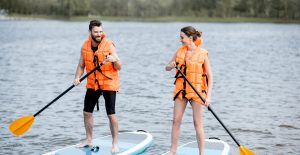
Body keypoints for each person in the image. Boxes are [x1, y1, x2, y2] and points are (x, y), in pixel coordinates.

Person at [73, 20, 121, 153]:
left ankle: (115, 143)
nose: (99, 34)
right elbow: (81, 65)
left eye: (101, 31)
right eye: (96, 32)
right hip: (93, 83)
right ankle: (88, 139)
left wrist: (114, 59)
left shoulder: (109, 45)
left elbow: (119, 66)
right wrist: (77, 77)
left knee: (111, 114)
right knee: (87, 112)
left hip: (109, 82)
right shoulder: (85, 45)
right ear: (90, 32)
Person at [165, 26, 213, 155]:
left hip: (197, 91)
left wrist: (208, 97)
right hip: (181, 90)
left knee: (197, 123)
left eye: (182, 37)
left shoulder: (203, 53)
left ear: (190, 38)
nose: (180, 40)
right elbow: (167, 67)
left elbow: (210, 76)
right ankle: (173, 151)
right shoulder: (180, 51)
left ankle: (201, 153)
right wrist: (171, 65)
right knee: (176, 121)